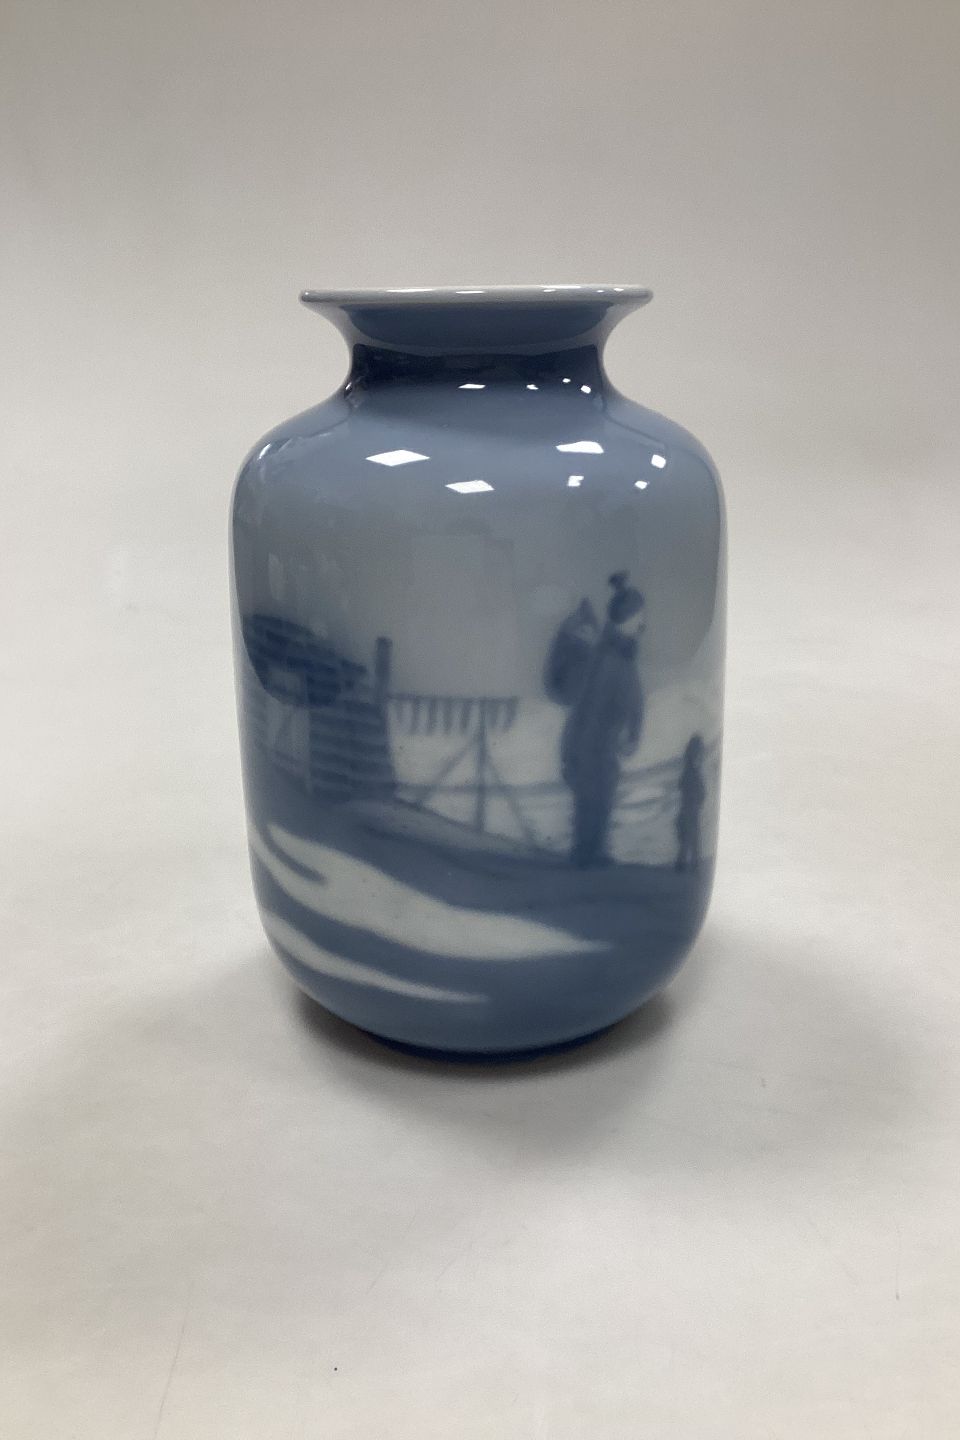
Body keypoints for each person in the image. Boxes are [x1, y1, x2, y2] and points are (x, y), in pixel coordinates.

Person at [559, 572, 645, 868]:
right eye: (639, 616)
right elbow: (591, 708)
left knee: (602, 795)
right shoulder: (609, 658)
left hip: (602, 745)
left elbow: (633, 698)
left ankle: (592, 851)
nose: (643, 623)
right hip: (592, 745)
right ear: (627, 619)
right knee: (592, 796)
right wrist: (578, 752)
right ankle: (585, 852)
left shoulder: (622, 654)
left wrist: (633, 731)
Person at [675, 734, 706, 873]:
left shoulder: (690, 770)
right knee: (690, 840)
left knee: (688, 841)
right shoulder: (691, 771)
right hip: (690, 811)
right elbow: (692, 791)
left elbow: (683, 787)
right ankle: (690, 866)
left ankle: (687, 865)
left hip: (689, 810)